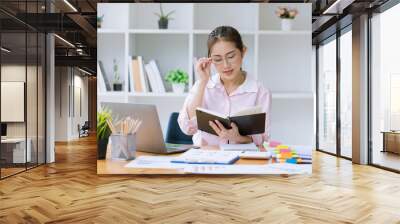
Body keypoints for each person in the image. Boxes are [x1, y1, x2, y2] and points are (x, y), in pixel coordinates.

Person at [178, 26, 271, 146]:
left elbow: (264, 140)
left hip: (242, 160)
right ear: (210, 60)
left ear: (243, 51)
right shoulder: (202, 85)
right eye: (217, 59)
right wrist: (203, 82)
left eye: (231, 56)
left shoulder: (260, 92)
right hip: (206, 159)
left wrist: (238, 137)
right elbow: (188, 128)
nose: (226, 65)